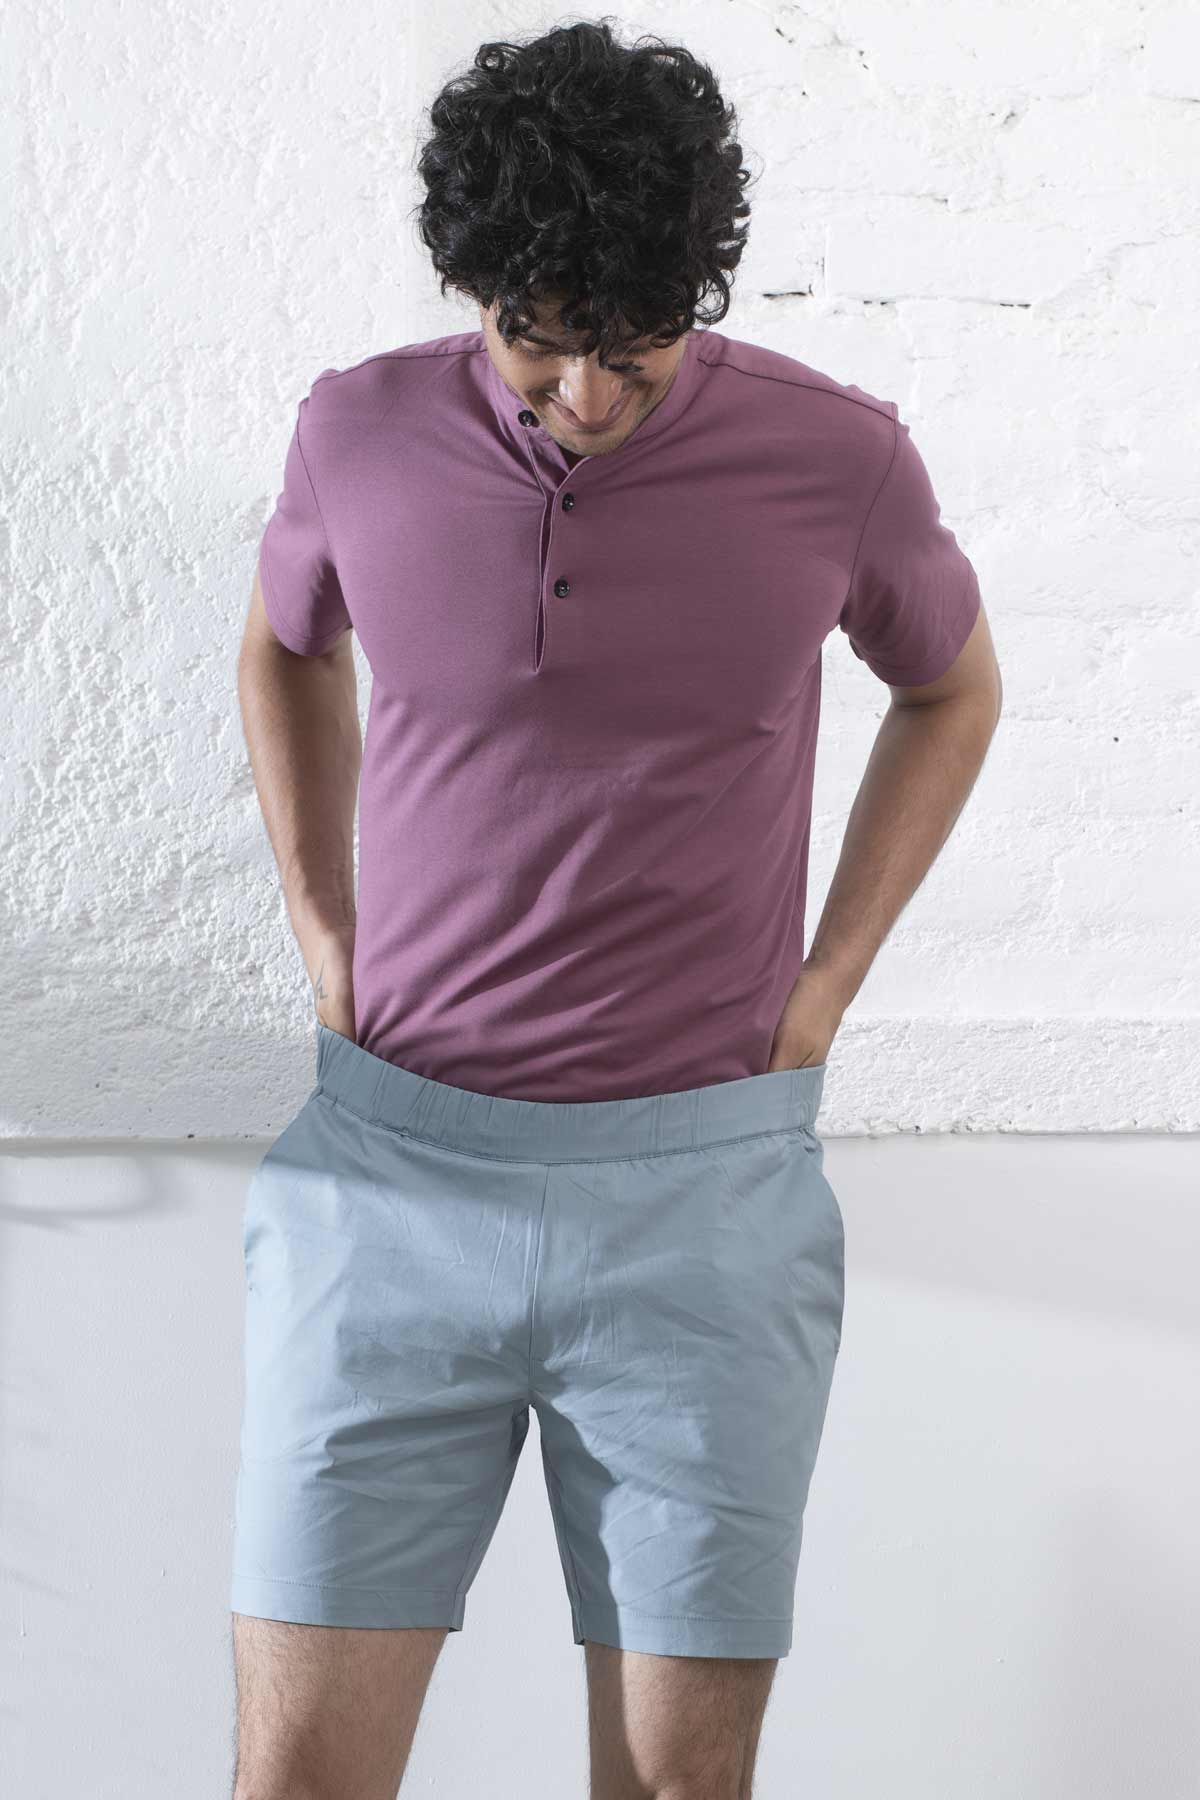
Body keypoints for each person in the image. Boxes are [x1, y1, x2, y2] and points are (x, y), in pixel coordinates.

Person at [229, 18, 1002, 1799]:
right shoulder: (355, 430)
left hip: (703, 1201)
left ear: (697, 292)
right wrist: (323, 929)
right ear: (473, 290)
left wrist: (827, 985)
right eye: (541, 344)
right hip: (386, 1183)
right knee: (299, 1782)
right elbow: (283, 647)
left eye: (635, 352)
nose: (585, 392)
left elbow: (952, 688)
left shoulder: (837, 458)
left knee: (670, 1791)